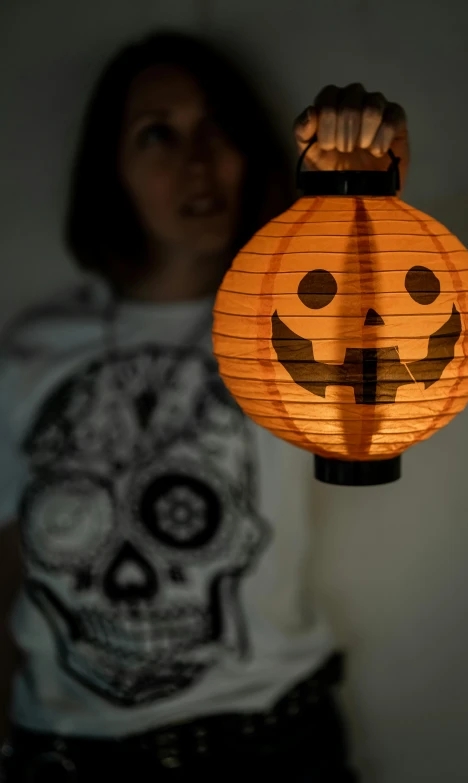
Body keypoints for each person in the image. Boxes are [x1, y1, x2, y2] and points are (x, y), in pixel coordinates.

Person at [0, 30, 409, 782]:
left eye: (218, 127)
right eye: (157, 134)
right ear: (110, 170)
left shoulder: (293, 323)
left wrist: (365, 201)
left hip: (272, 748)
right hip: (66, 757)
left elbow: (373, 411)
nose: (197, 161)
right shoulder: (32, 354)